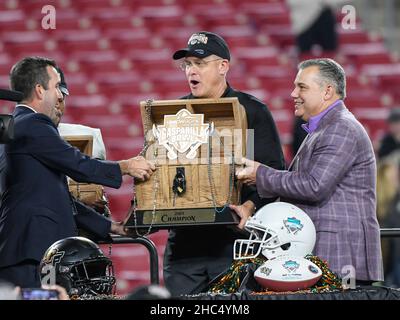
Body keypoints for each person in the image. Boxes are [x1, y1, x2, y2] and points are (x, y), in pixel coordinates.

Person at [0, 56, 155, 288]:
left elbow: (57, 196)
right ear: (40, 90)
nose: (61, 95)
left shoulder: (17, 125)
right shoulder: (33, 124)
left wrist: (111, 227)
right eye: (56, 87)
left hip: (28, 251)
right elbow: (79, 165)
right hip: (32, 251)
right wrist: (126, 166)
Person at [235, 58, 384, 284]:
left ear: (327, 91)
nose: (293, 93)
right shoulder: (325, 128)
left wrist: (261, 174)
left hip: (339, 257)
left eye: (302, 87)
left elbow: (314, 186)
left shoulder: (340, 128)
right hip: (331, 256)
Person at [164, 31, 285, 296]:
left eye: (200, 63)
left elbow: (274, 172)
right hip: (184, 247)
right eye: (187, 64)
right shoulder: (175, 113)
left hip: (235, 243)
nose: (190, 71)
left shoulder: (252, 110)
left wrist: (250, 206)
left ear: (223, 67)